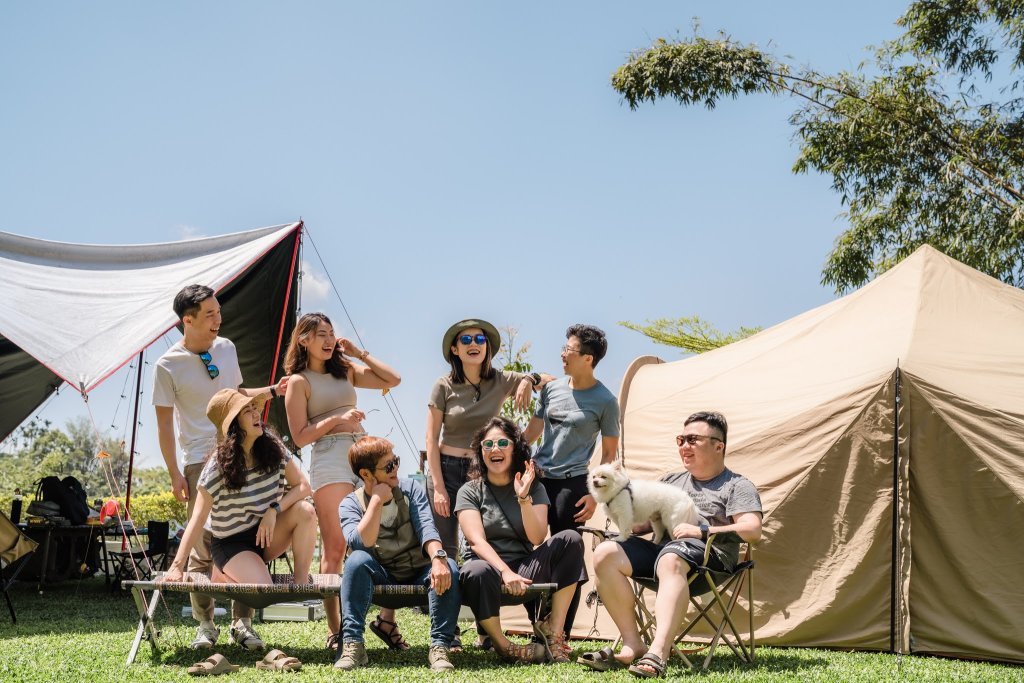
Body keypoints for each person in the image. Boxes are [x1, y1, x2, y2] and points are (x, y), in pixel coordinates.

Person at [152, 284, 288, 650]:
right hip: (199, 459)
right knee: (202, 547)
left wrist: (272, 390)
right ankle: (206, 625)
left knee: (244, 539)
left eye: (218, 312)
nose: (218, 319)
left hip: (242, 453)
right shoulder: (167, 365)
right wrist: (174, 473)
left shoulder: (226, 349)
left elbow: (238, 399)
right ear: (188, 320)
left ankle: (242, 624)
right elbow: (164, 426)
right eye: (210, 314)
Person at [580, 411, 763, 678]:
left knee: (671, 557)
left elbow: (752, 530)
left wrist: (701, 530)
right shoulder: (670, 481)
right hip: (661, 552)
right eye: (680, 439)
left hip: (708, 563)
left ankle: (658, 653)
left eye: (692, 439)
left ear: (718, 446)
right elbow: (644, 522)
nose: (684, 446)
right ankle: (633, 643)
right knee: (605, 552)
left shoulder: (737, 485)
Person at [426, 318, 550, 648]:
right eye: (465, 339)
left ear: (487, 347)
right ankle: (448, 632)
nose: (473, 343)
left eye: (479, 338)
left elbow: (551, 381)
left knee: (481, 544)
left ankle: (485, 629)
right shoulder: (443, 385)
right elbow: (430, 437)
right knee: (448, 550)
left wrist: (529, 379)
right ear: (455, 349)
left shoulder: (501, 379)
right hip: (448, 469)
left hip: (484, 471)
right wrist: (438, 485)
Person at [282, 312, 401, 651]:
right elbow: (300, 437)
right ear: (303, 339)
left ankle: (381, 622)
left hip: (363, 454)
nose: (329, 339)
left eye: (332, 333)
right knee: (336, 546)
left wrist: (359, 354)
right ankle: (338, 632)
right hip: (329, 456)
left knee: (378, 539)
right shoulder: (298, 382)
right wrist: (337, 418)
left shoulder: (345, 370)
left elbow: (392, 380)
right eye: (321, 334)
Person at [161, 389, 317, 620]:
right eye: (247, 411)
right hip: (231, 544)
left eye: (255, 408)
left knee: (306, 510)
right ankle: (223, 573)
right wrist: (176, 566)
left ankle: (301, 584)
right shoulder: (217, 467)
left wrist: (274, 511)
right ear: (234, 424)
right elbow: (197, 519)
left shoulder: (272, 447)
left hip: (266, 534)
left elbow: (303, 486)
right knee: (262, 594)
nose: (256, 414)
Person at [455, 417, 586, 664]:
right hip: (488, 571)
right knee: (475, 568)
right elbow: (476, 542)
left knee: (570, 538)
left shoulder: (534, 487)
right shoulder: (470, 491)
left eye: (503, 442)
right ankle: (503, 645)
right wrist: (505, 572)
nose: (495, 449)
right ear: (480, 451)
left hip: (526, 567)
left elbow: (537, 537)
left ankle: (554, 634)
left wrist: (523, 498)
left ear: (515, 448)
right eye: (488, 444)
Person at [523, 323, 620, 635]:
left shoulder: (605, 400)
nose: (563, 354)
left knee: (569, 555)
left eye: (569, 349)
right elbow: (532, 433)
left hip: (573, 484)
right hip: (538, 479)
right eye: (564, 348)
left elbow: (608, 455)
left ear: (588, 358)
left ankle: (559, 629)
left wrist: (595, 495)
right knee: (529, 549)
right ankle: (536, 618)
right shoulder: (551, 390)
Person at [336, 436, 460, 672]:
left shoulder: (411, 489)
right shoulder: (349, 504)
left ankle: (440, 647)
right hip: (382, 575)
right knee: (356, 561)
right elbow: (361, 542)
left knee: (449, 566)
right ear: (366, 474)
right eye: (388, 466)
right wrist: (375, 502)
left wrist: (438, 558)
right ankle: (354, 646)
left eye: (396, 461)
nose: (396, 470)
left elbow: (426, 526)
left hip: (419, 572)